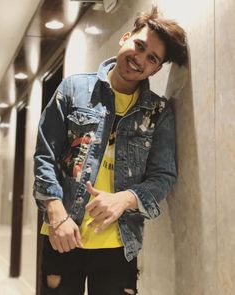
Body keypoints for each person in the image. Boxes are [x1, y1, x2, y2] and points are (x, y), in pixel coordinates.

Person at [33, 6, 187, 295]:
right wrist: (56, 214)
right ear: (125, 38)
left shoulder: (158, 112)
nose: (140, 59)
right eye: (138, 46)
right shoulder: (73, 89)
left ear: (157, 68)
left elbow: (163, 176)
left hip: (120, 245)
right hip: (63, 234)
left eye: (152, 58)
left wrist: (124, 199)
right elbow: (45, 156)